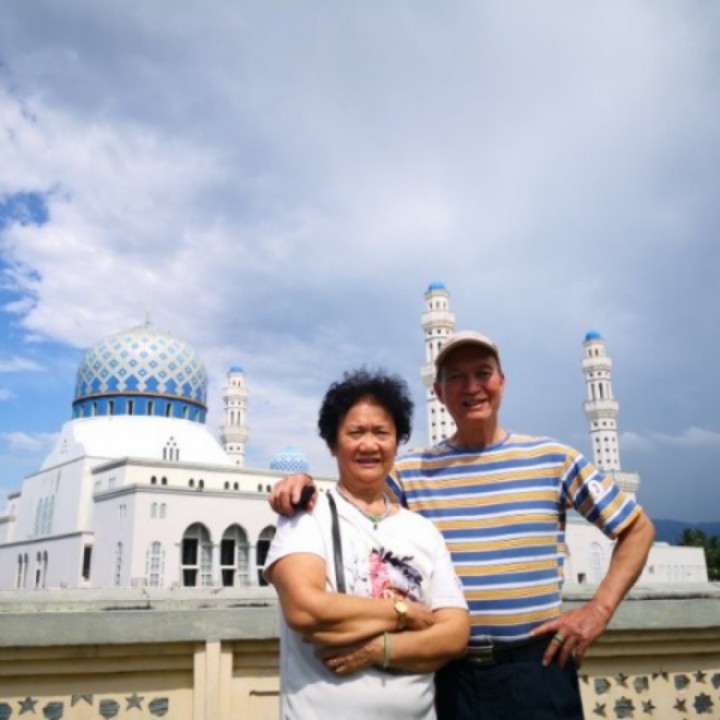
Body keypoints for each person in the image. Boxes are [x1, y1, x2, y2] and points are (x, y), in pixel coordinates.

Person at [270, 331, 656, 720]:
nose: (472, 387)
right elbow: (355, 491)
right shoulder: (413, 471)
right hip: (451, 674)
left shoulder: (552, 460)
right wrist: (300, 484)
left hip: (536, 666)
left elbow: (637, 529)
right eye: (456, 377)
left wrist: (599, 610)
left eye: (482, 373)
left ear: (501, 382)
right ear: (438, 391)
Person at [263, 368, 469, 720]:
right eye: (355, 432)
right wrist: (405, 613)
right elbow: (305, 610)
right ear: (333, 444)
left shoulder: (422, 530)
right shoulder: (306, 516)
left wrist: (379, 648)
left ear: (397, 442)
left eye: (382, 432)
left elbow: (454, 635)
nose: (369, 445)